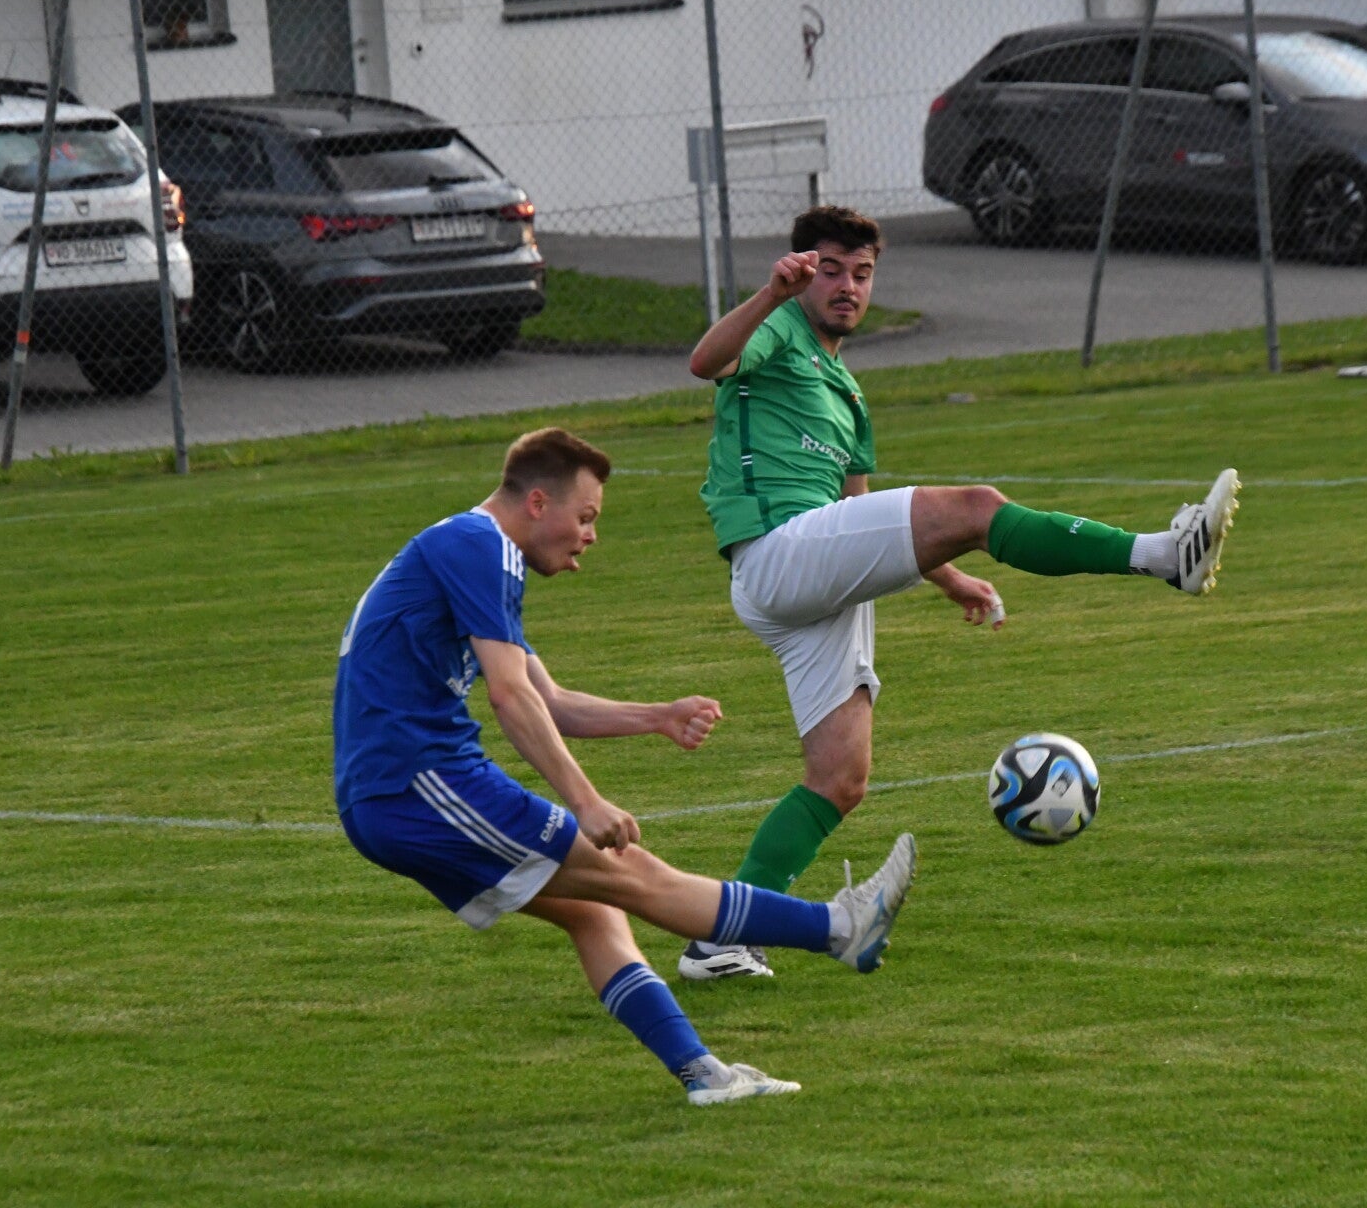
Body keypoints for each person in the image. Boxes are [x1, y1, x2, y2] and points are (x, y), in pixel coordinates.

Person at [679, 206, 1238, 982]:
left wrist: (947, 577)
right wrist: (771, 294)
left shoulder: (847, 392)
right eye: (830, 270)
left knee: (840, 779)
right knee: (977, 506)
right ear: (801, 270)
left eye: (862, 274)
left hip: (813, 574)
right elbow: (705, 361)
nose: (847, 287)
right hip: (777, 550)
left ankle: (723, 942)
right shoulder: (777, 328)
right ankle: (1164, 557)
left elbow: (860, 510)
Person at [333, 426, 918, 1105]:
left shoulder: (470, 551)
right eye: (585, 517)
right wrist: (585, 801)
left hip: (396, 793)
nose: (590, 537)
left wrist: (658, 715)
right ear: (537, 503)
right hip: (419, 783)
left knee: (595, 911)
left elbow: (551, 701)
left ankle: (706, 1077)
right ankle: (839, 928)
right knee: (636, 876)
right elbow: (510, 696)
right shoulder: (479, 545)